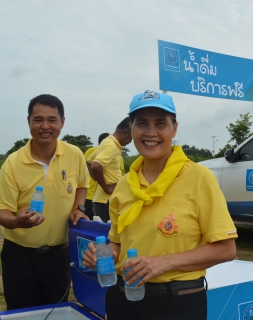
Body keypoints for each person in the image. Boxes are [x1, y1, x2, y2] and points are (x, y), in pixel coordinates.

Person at [83, 90, 237, 320]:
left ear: (174, 129)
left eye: (161, 124)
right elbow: (118, 244)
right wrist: (103, 255)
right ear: (132, 129)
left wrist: (163, 263)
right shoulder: (124, 185)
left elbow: (226, 249)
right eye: (142, 123)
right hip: (123, 300)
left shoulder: (199, 178)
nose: (151, 133)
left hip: (177, 303)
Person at [0, 94, 90, 310]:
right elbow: (0, 212)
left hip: (60, 255)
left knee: (54, 311)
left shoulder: (74, 155)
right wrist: (17, 221)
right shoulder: (13, 163)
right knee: (21, 311)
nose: (45, 126)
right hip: (20, 256)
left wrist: (79, 207)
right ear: (29, 121)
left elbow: (83, 184)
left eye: (52, 120)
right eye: (38, 120)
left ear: (62, 122)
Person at [86, 117, 132, 222]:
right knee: (110, 235)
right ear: (126, 133)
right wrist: (106, 188)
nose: (130, 142)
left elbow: (88, 163)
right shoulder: (111, 146)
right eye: (131, 137)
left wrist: (99, 182)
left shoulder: (107, 142)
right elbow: (95, 165)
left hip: (102, 200)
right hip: (106, 201)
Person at [84, 133, 110, 220]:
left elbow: (83, 168)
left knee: (87, 226)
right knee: (104, 226)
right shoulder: (114, 153)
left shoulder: (90, 151)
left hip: (88, 195)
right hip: (104, 198)